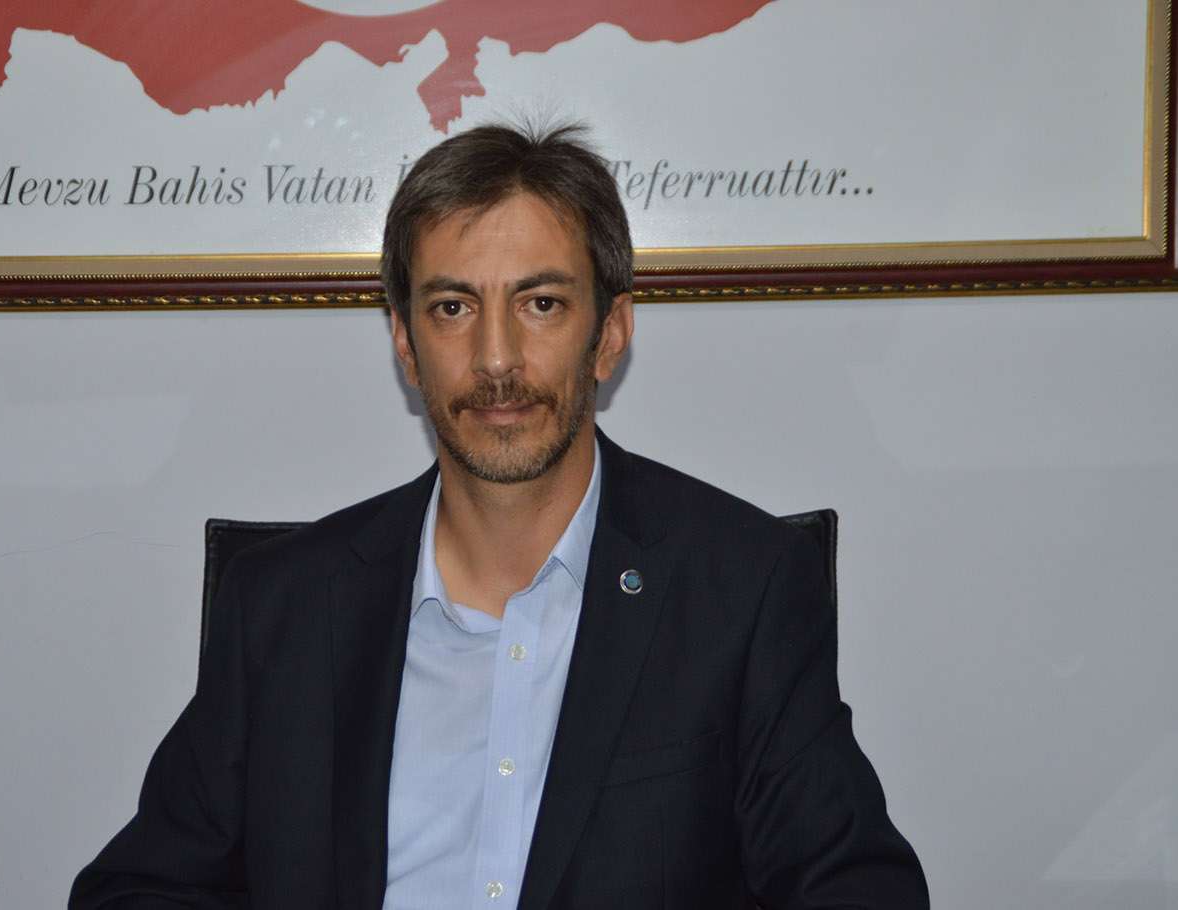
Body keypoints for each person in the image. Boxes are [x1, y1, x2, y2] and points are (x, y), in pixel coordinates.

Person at [71, 122, 928, 909]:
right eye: (452, 308)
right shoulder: (283, 608)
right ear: (406, 346)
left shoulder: (742, 589)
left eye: (540, 303)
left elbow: (857, 891)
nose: (495, 359)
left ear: (610, 334)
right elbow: (136, 893)